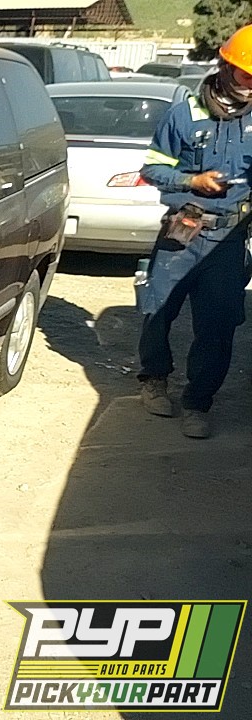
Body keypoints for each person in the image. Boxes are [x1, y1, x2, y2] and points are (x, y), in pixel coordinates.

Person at [137, 27, 252, 439]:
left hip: (229, 237)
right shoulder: (184, 114)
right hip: (183, 230)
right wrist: (192, 181)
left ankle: (198, 402)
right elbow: (151, 169)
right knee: (158, 309)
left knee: (218, 324)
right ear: (225, 67)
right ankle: (154, 379)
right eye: (246, 75)